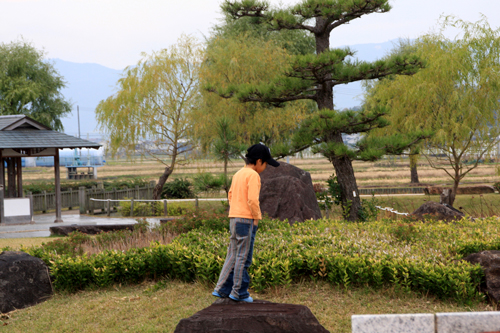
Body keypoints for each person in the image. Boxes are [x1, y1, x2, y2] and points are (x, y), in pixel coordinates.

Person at [212, 143, 280, 302]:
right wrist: (256, 218)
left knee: (233, 254)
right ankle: (239, 292)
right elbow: (252, 200)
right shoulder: (253, 175)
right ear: (258, 161)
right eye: (265, 164)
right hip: (246, 220)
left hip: (234, 218)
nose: (265, 167)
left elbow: (230, 195)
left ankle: (221, 288)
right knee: (243, 257)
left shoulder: (238, 174)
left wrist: (236, 208)